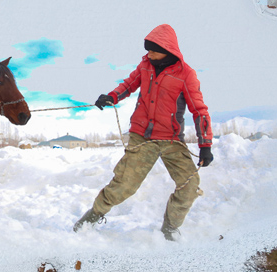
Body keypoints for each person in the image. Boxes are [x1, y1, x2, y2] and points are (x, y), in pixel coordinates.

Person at [73, 24, 213, 241]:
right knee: (124, 185)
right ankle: (92, 216)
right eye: (148, 50)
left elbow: (199, 111)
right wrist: (112, 96)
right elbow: (129, 84)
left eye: (153, 50)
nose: (149, 54)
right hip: (142, 136)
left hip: (171, 140)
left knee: (190, 186)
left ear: (168, 50)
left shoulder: (186, 75)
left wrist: (206, 146)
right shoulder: (145, 65)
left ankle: (170, 229)